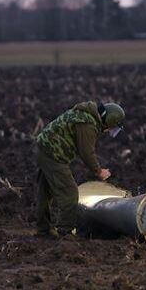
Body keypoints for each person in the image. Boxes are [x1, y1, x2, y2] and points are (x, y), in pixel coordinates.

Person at [35, 100, 125, 238]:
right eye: (111, 127)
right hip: (53, 156)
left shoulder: (85, 115)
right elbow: (86, 152)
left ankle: (43, 229)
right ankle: (65, 232)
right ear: (110, 120)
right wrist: (99, 171)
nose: (108, 131)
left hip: (43, 150)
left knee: (45, 192)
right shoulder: (88, 124)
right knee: (70, 193)